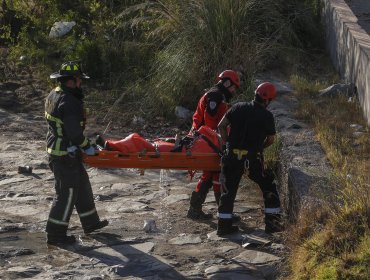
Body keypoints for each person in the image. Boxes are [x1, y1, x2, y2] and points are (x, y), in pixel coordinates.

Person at [45, 61, 108, 246]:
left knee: (82, 185)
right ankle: (56, 234)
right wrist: (87, 146)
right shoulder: (70, 101)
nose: (81, 84)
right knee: (66, 193)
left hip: (62, 149)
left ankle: (91, 223)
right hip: (65, 154)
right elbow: (74, 132)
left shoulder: (55, 94)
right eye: (79, 80)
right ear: (71, 81)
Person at [217, 81, 283, 236]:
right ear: (267, 100)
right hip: (252, 159)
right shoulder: (267, 116)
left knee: (228, 191)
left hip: (232, 157)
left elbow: (221, 126)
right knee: (268, 185)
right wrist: (259, 148)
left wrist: (227, 143)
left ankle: (223, 227)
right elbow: (271, 139)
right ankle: (273, 225)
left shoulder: (238, 107)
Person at [187, 70, 240, 220]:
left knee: (212, 174)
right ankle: (221, 211)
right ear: (227, 83)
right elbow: (210, 124)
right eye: (233, 87)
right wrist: (222, 143)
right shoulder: (215, 96)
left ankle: (202, 209)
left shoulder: (218, 96)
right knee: (214, 173)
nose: (234, 91)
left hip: (207, 140)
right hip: (207, 141)